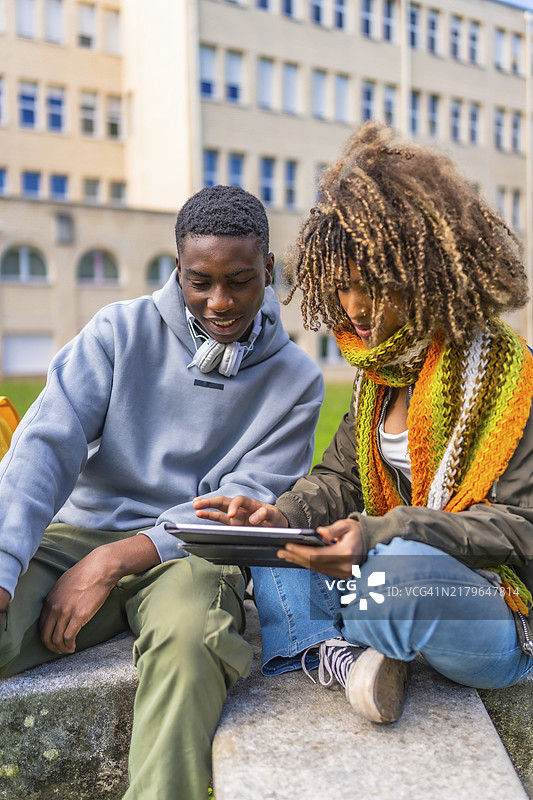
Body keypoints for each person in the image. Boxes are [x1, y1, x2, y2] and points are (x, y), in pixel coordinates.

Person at [194, 122, 533, 726]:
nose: (356, 309)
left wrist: (382, 534)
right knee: (283, 550)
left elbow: (522, 528)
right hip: (395, 575)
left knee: (391, 575)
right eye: (344, 287)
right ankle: (345, 655)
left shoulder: (513, 378)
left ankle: (343, 636)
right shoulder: (380, 377)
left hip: (492, 607)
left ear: (427, 273)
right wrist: (282, 519)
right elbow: (340, 478)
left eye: (375, 285)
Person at [0, 184, 324, 798]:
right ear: (178, 269)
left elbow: (241, 504)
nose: (219, 302)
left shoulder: (297, 381)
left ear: (270, 271)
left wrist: (113, 561)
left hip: (196, 554)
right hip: (78, 534)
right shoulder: (118, 331)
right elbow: (44, 444)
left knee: (192, 645)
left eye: (240, 281)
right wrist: (5, 563)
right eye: (200, 282)